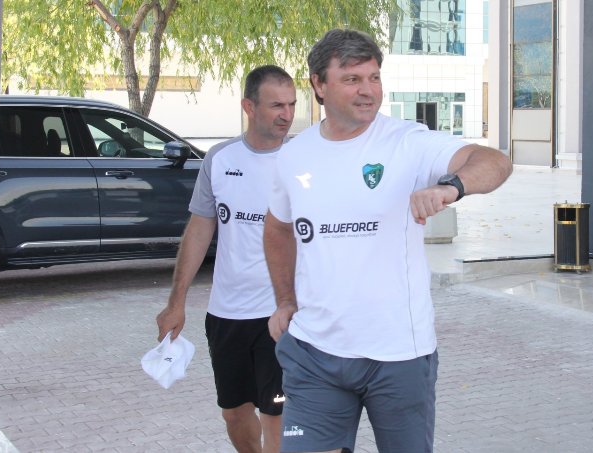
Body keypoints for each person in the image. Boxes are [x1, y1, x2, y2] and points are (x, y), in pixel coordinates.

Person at [263, 29, 512, 453]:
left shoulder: (408, 142)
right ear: (318, 84)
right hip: (314, 352)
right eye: (352, 79)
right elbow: (278, 228)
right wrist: (285, 301)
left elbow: (494, 161)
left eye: (374, 77)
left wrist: (451, 186)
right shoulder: (294, 155)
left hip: (399, 355)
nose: (368, 90)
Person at [157, 64, 296, 453]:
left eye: (291, 104)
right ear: (249, 107)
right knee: (235, 414)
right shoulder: (220, 159)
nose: (286, 114)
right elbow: (199, 229)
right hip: (227, 313)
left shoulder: (303, 159)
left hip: (282, 314)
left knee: (277, 414)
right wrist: (176, 302)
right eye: (276, 105)